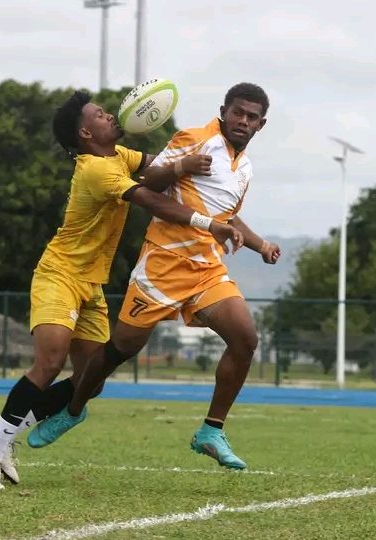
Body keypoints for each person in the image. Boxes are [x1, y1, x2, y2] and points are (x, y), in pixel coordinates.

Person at [0, 91, 244, 489]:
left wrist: (192, 161)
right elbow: (150, 198)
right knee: (49, 363)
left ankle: (1, 429)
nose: (110, 115)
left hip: (91, 284)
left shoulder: (120, 156)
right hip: (60, 275)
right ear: (86, 133)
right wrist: (208, 222)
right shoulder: (96, 169)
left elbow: (159, 168)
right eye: (99, 114)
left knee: (91, 380)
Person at [26, 83, 281, 471]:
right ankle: (73, 410)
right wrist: (181, 167)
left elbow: (225, 216)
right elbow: (149, 183)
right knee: (119, 350)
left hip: (207, 269)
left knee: (246, 338)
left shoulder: (244, 168)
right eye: (238, 113)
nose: (243, 121)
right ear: (224, 111)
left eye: (252, 117)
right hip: (162, 266)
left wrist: (260, 245)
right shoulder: (193, 138)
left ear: (261, 125)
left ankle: (211, 430)